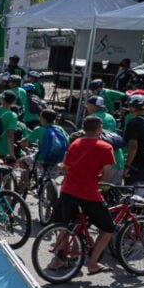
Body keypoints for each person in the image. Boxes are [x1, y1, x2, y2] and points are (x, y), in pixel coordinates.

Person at [52, 116, 117, 274]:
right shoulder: (105, 147)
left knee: (68, 225)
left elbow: (66, 166)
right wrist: (97, 180)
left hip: (68, 190)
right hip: (88, 193)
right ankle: (93, 263)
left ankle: (57, 260)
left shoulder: (75, 143)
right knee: (108, 228)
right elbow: (107, 174)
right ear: (99, 129)